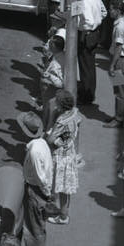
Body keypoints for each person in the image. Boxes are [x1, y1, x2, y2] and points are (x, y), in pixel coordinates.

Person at [19, 113, 53, 246]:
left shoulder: (33, 152)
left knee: (33, 230)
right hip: (39, 190)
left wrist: (45, 195)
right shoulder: (42, 144)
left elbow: (40, 177)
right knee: (38, 228)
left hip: (35, 191)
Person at [46, 91, 81, 225]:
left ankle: (63, 216)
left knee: (62, 189)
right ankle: (60, 210)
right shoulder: (75, 112)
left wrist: (51, 118)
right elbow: (78, 123)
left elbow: (50, 139)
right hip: (70, 153)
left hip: (61, 157)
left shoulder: (61, 121)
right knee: (64, 188)